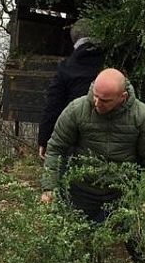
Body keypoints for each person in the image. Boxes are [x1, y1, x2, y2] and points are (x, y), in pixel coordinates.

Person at [40, 68, 145, 263]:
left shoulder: (141, 116)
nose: (97, 103)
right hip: (82, 193)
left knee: (142, 254)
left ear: (122, 96)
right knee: (61, 249)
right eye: (95, 96)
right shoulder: (77, 109)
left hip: (122, 197)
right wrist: (49, 187)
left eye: (105, 100)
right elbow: (55, 149)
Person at [37, 19, 103, 160]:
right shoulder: (112, 62)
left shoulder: (66, 67)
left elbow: (53, 105)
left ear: (74, 41)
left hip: (76, 134)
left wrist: (44, 139)